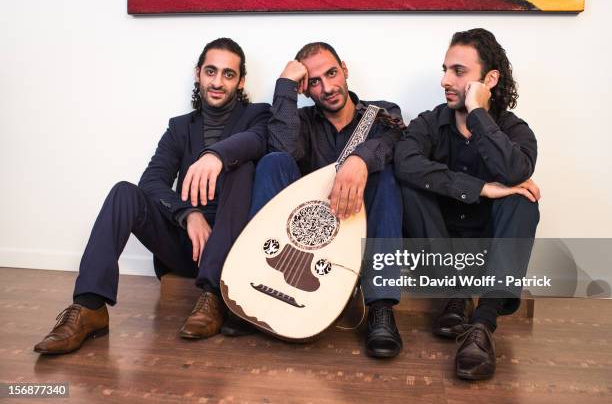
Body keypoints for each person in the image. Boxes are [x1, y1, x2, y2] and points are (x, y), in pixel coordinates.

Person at [33, 38, 271, 354]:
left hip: (232, 249)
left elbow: (257, 141)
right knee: (124, 193)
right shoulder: (179, 128)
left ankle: (214, 296)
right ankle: (90, 307)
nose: (217, 82)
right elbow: (152, 181)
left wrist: (216, 155)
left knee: (242, 170)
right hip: (188, 245)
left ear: (240, 81)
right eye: (211, 71)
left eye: (228, 74)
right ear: (198, 73)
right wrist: (189, 214)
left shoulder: (258, 116)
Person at [394, 28, 540, 379]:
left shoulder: (514, 130)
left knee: (522, 201)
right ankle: (453, 292)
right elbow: (405, 161)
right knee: (408, 185)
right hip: (434, 251)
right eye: (445, 69)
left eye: (459, 72)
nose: (445, 80)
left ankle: (482, 325)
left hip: (486, 253)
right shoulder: (430, 122)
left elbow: (515, 170)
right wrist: (481, 188)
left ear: (488, 79)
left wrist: (477, 111)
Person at [250, 42, 405, 358]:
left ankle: (381, 308)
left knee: (387, 176)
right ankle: (258, 286)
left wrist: (360, 159)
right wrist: (285, 85)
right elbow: (281, 149)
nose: (328, 87)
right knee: (273, 162)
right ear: (306, 89)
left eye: (332, 73)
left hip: (358, 235)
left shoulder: (381, 113)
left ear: (345, 70)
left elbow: (393, 142)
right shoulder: (301, 121)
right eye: (315, 81)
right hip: (305, 245)